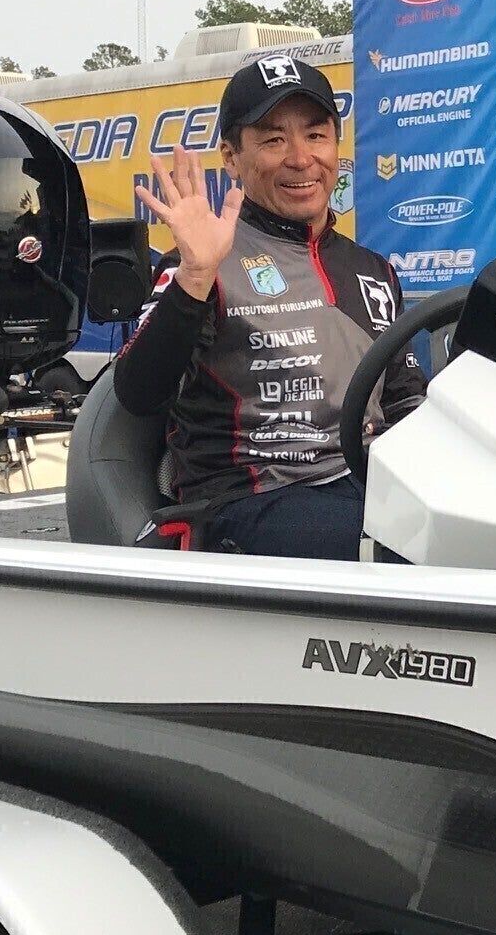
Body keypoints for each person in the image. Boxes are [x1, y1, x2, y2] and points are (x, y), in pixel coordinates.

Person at [114, 54, 423, 558]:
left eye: (316, 135)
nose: (300, 159)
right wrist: (195, 277)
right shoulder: (200, 262)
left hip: (366, 486)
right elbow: (138, 392)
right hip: (247, 500)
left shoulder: (373, 270)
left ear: (336, 146)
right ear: (232, 157)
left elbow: (407, 404)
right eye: (274, 140)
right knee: (403, 549)